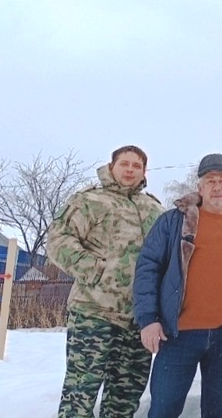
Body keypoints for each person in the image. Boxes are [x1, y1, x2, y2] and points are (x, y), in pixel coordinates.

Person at [134, 153, 222, 418]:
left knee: (218, 411)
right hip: (179, 335)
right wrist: (148, 319)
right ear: (199, 186)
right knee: (164, 409)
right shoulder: (174, 222)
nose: (216, 186)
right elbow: (148, 268)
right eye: (209, 180)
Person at [48, 145, 165, 418]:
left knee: (125, 397)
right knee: (81, 392)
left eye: (137, 166)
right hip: (94, 312)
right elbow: (58, 239)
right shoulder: (90, 201)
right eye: (125, 164)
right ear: (112, 166)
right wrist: (95, 270)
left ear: (144, 172)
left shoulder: (154, 209)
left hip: (138, 320)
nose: (130, 170)